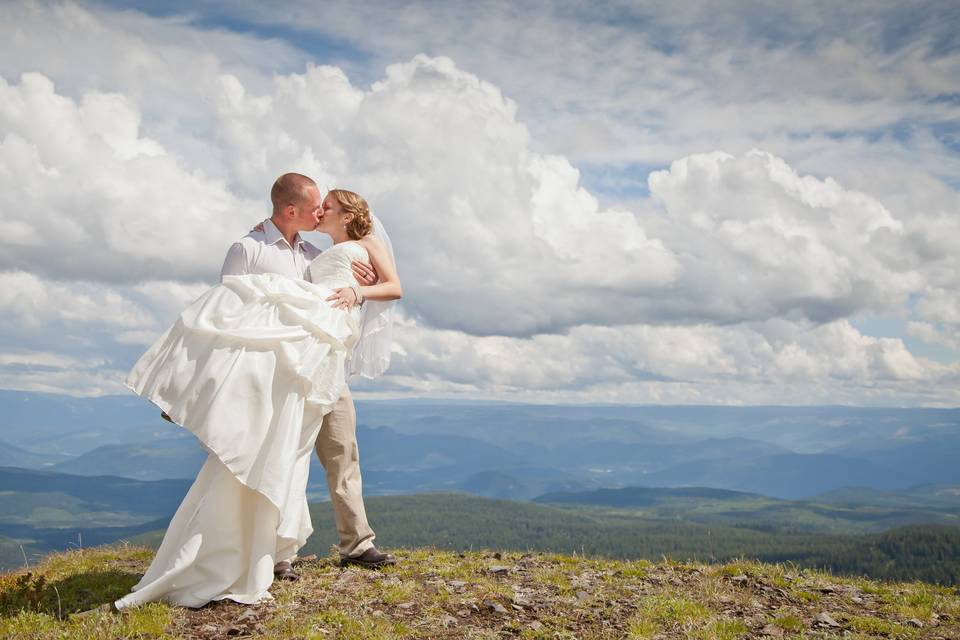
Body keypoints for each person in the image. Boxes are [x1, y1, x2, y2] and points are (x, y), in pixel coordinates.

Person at [114, 179, 400, 609]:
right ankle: (273, 551)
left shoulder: (312, 253)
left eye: (326, 208)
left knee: (341, 450)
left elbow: (352, 284)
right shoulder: (248, 249)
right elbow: (226, 317)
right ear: (290, 210)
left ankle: (356, 543)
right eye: (314, 207)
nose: (320, 213)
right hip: (268, 379)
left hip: (321, 368)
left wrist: (361, 281)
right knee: (273, 456)